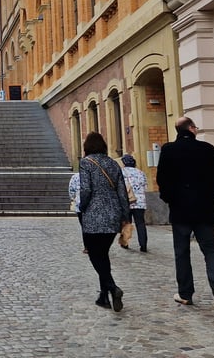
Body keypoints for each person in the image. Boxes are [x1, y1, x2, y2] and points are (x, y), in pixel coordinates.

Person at [156, 116, 214, 316]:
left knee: (182, 252)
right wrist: (210, 196)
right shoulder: (207, 149)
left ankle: (185, 293)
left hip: (180, 210)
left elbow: (161, 180)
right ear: (191, 129)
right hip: (204, 208)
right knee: (211, 250)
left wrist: (171, 199)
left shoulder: (168, 150)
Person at [78, 131, 131, 312]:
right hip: (113, 216)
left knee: (94, 254)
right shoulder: (113, 163)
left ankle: (112, 287)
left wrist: (82, 206)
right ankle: (104, 296)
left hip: (94, 215)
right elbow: (122, 192)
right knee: (103, 254)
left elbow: (85, 189)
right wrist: (125, 216)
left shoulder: (86, 163)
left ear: (87, 146)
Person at [120, 154, 148, 252]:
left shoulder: (121, 172)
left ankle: (125, 242)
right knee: (140, 223)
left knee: (127, 223)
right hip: (140, 202)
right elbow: (145, 187)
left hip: (126, 202)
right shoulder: (141, 173)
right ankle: (143, 244)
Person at [68, 171, 90, 254]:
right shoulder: (97, 174)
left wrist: (73, 198)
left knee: (84, 226)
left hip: (80, 204)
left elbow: (71, 190)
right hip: (95, 205)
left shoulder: (76, 176)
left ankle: (87, 247)